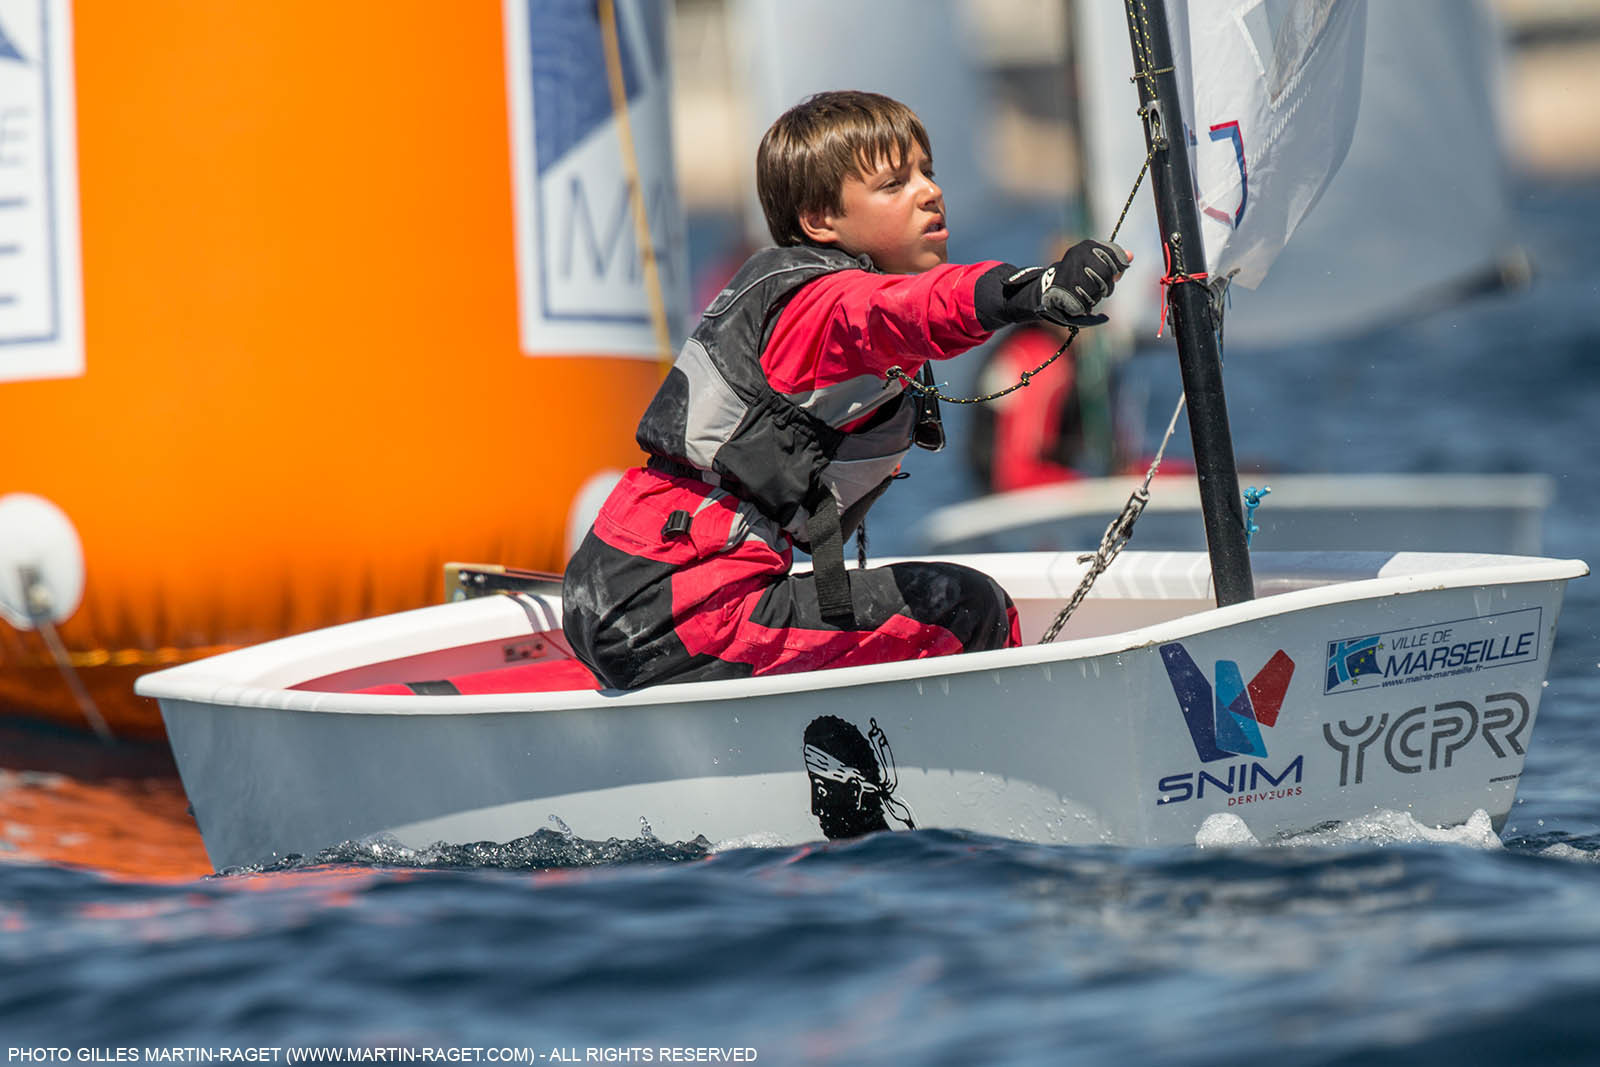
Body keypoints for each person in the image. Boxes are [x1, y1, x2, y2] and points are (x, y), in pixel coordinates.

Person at [562, 90, 1128, 690]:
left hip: (635, 588)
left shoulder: (818, 298)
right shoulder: (822, 304)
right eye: (894, 184)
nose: (929, 192)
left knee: (907, 608)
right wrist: (1029, 290)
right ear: (820, 221)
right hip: (679, 606)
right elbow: (909, 310)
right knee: (966, 610)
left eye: (927, 173)